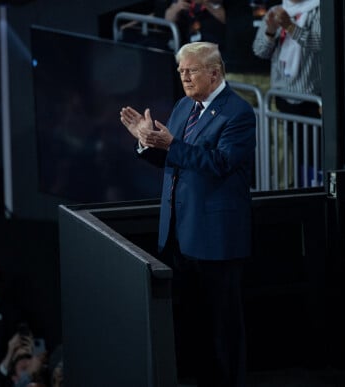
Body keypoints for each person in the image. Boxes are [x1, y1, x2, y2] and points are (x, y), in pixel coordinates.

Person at [119, 41, 255, 386]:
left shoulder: (237, 113)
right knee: (191, 328)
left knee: (222, 333)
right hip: (180, 236)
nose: (184, 77)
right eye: (181, 71)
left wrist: (170, 145)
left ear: (214, 71)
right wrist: (146, 141)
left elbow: (220, 163)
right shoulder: (183, 106)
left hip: (216, 240)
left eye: (190, 70)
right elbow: (174, 159)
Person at [252, 0, 321, 185]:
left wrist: (290, 26)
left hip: (310, 96)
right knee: (287, 153)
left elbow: (321, 42)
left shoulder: (318, 9)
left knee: (313, 153)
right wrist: (270, 31)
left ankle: (314, 190)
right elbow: (259, 50)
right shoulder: (276, 11)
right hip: (281, 95)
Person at [154, 0, 226, 51]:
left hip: (214, 48)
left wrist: (205, 2)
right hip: (187, 48)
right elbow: (167, 20)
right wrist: (178, 7)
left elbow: (228, 20)